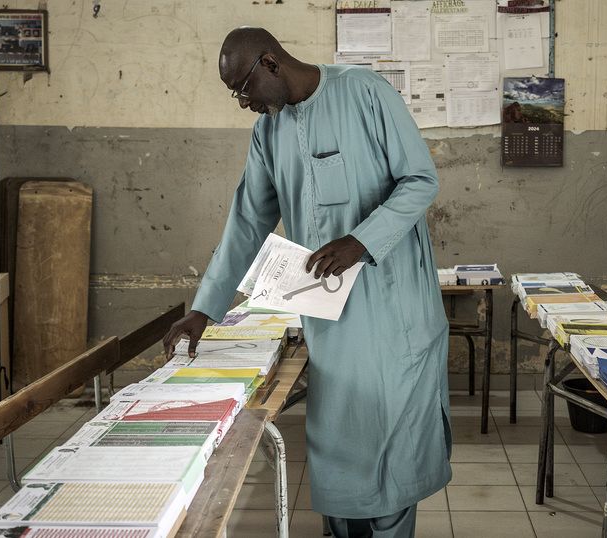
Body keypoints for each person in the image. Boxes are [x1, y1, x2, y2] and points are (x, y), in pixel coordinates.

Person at [161, 27, 451, 537]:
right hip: (332, 318)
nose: (243, 102)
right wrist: (204, 309)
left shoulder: (365, 92)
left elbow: (420, 180)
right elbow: (247, 221)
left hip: (394, 306)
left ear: (270, 63)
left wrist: (360, 241)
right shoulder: (268, 133)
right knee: (340, 450)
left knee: (391, 448)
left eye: (243, 87)